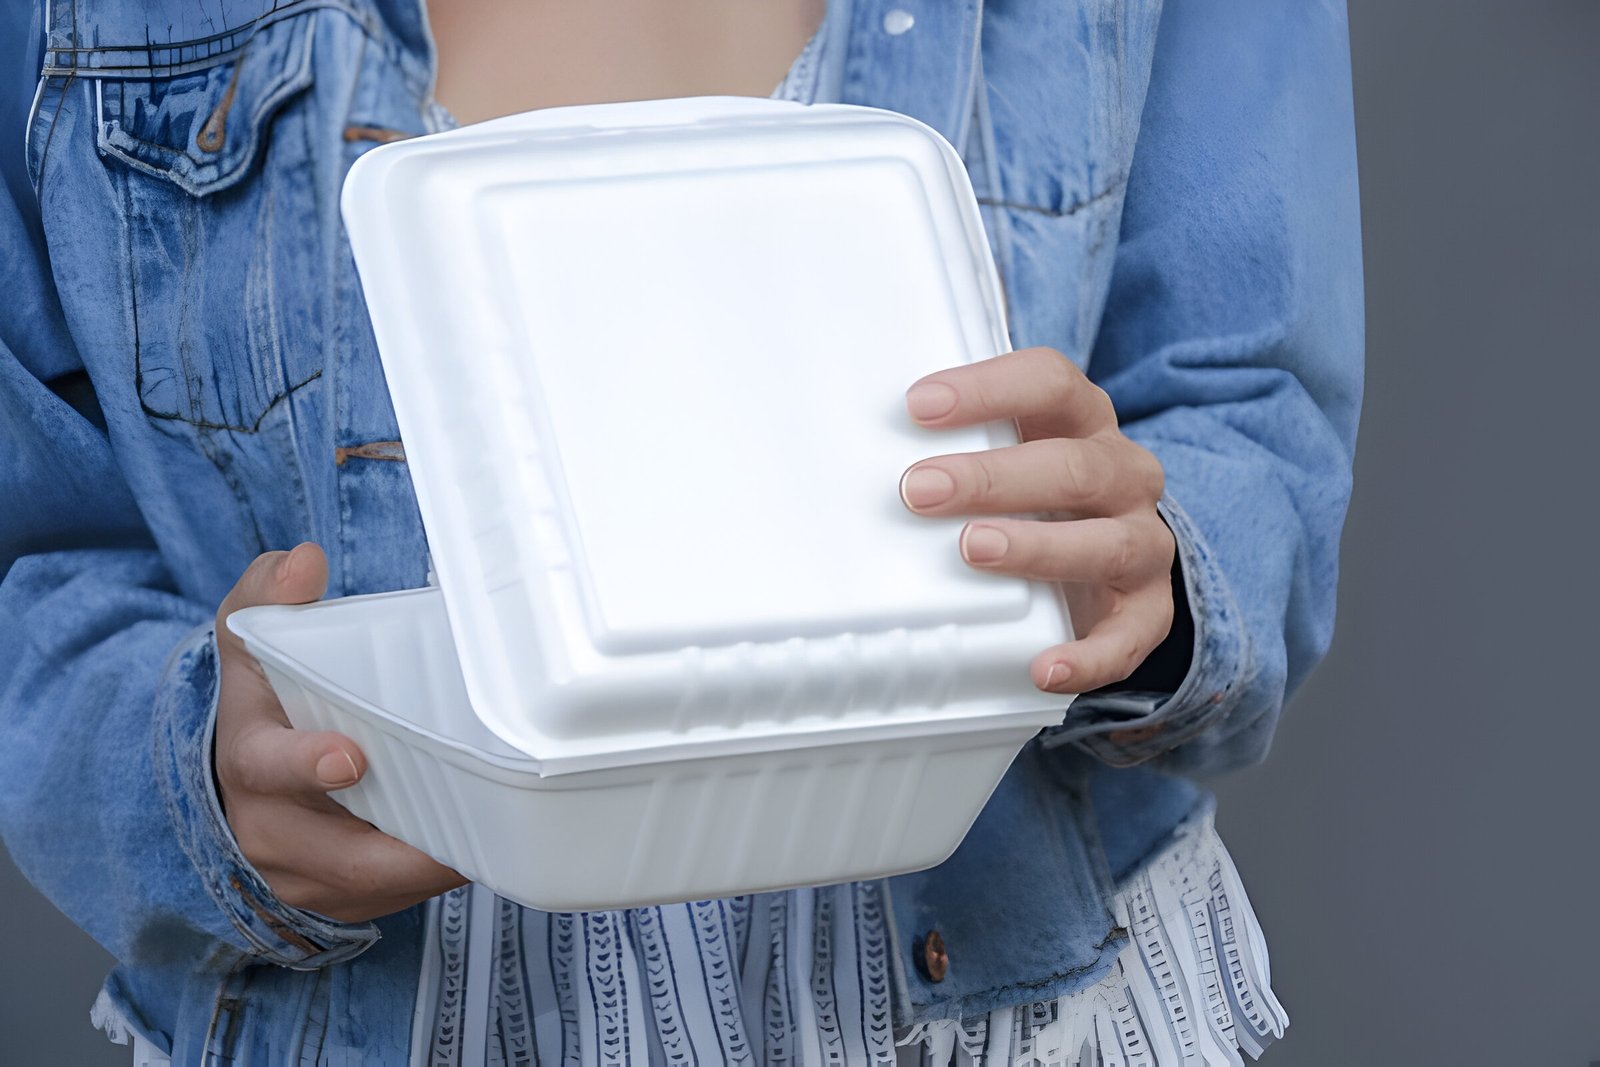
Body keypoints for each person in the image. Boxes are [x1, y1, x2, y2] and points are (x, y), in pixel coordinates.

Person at [0, 0, 1362, 1063]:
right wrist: (195, 781)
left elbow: (1250, 417)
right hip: (387, 1016)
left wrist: (1146, 574)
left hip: (1012, 1005)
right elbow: (29, 556)